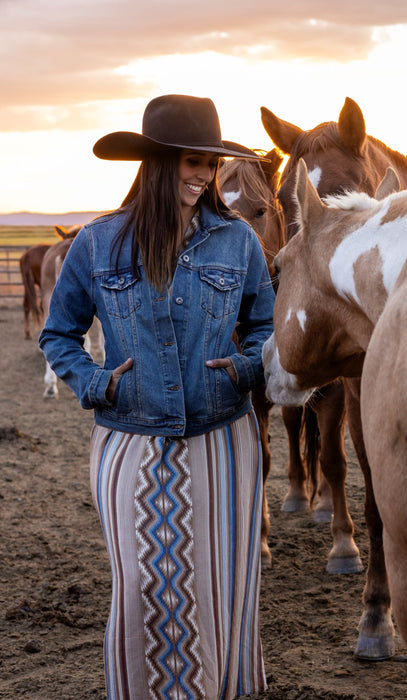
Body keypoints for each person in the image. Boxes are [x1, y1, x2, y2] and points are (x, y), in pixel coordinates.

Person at [39, 94, 275, 699]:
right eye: (189, 162)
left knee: (215, 582)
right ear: (156, 162)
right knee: (146, 584)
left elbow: (264, 326)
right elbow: (59, 332)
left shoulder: (238, 241)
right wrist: (93, 382)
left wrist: (248, 367)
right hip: (129, 436)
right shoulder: (98, 243)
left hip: (223, 441)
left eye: (209, 165)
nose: (201, 176)